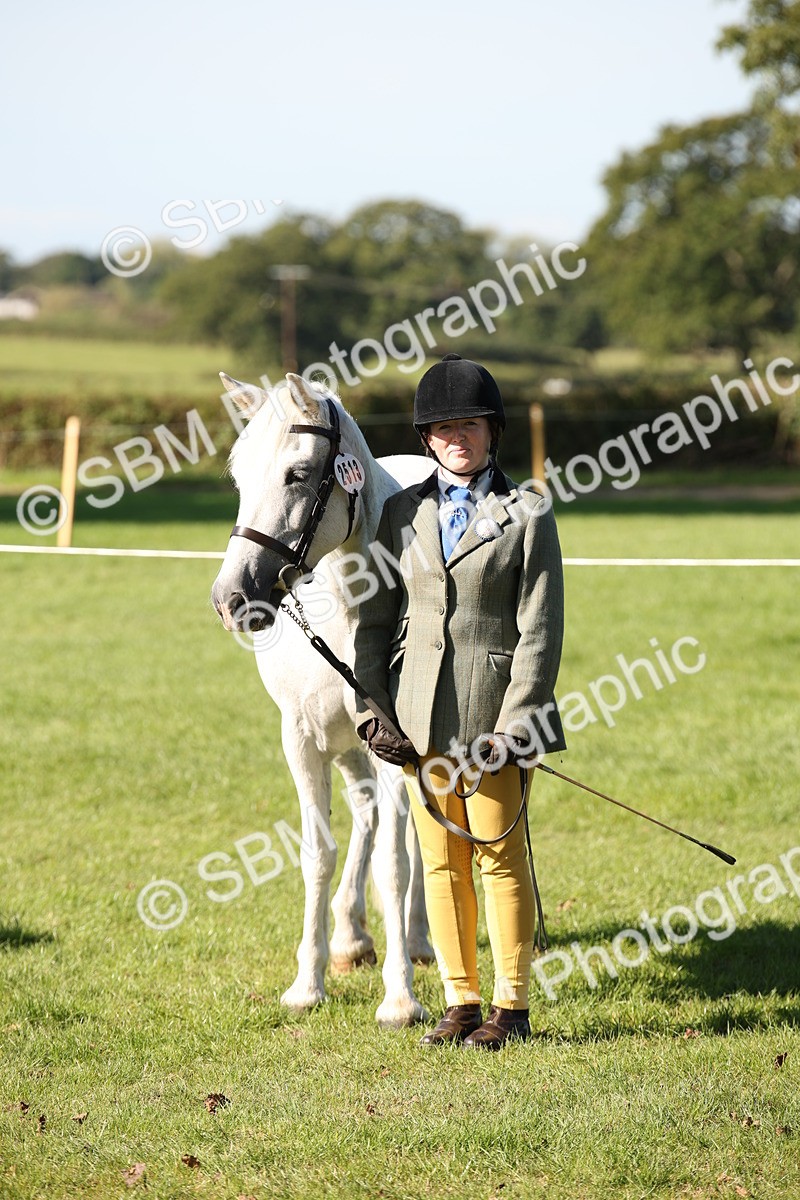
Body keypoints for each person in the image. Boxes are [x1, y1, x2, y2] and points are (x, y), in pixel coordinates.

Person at [353, 352, 565, 1050]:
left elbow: (540, 628)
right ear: (426, 438)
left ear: (491, 430)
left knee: (499, 857)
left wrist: (515, 722)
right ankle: (461, 1002)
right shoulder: (399, 515)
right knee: (441, 862)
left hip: (497, 718)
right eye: (442, 428)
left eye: (468, 425)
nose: (455, 438)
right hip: (419, 717)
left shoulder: (527, 512)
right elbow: (375, 622)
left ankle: (513, 1007)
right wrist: (372, 708)